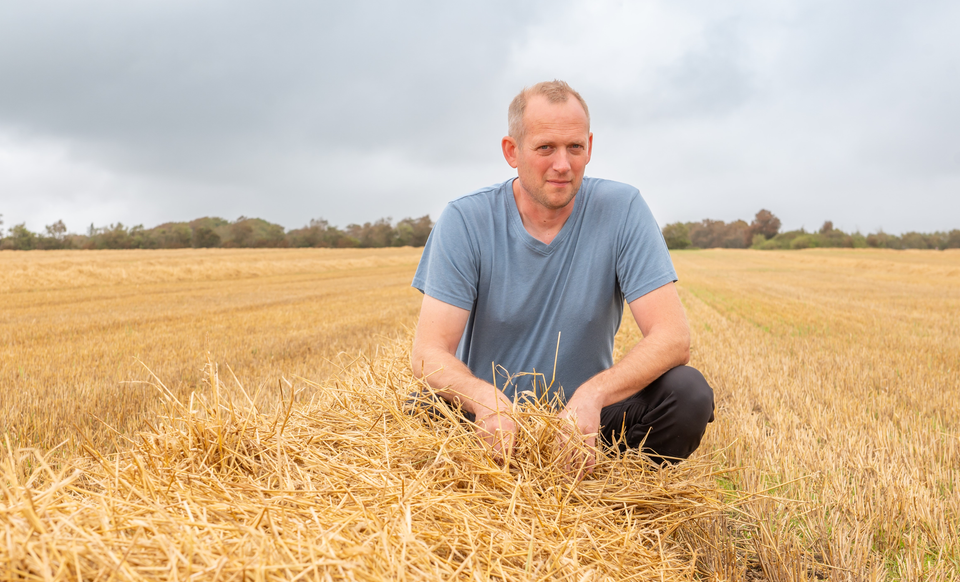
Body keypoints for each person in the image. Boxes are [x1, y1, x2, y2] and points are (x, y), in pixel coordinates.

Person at [410, 80, 714, 477]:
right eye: (545, 148)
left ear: (590, 146)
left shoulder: (623, 210)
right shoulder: (465, 220)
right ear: (511, 151)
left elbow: (673, 338)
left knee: (687, 394)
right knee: (424, 408)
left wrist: (592, 396)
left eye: (575, 147)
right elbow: (427, 352)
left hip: (588, 424)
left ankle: (617, 495)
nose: (563, 164)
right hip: (491, 425)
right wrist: (486, 400)